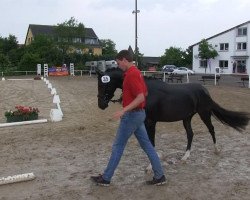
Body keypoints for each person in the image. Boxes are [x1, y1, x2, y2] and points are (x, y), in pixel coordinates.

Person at [91, 50, 166, 186]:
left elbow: (141, 97)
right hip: (138, 114)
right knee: (147, 145)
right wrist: (126, 97)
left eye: (119, 63)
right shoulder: (136, 73)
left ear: (125, 60)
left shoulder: (131, 75)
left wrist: (124, 109)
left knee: (118, 146)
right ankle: (160, 176)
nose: (118, 65)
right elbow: (145, 92)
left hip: (131, 116)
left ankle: (106, 178)